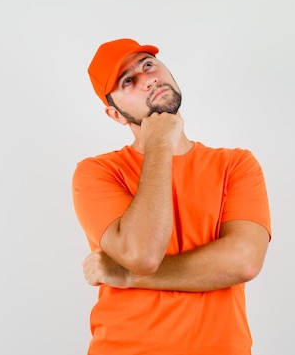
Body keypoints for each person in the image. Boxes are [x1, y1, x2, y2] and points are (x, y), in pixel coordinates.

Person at [72, 38, 272, 355]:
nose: (147, 78)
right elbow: (143, 255)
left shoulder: (235, 164)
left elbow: (244, 261)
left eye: (147, 65)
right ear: (116, 115)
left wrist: (127, 276)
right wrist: (161, 143)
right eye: (128, 81)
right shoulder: (97, 173)